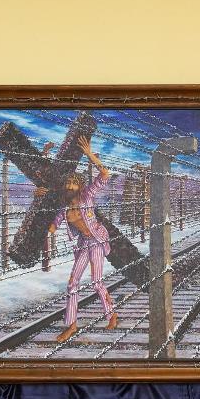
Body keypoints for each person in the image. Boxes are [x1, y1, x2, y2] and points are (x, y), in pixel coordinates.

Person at [39, 134, 118, 342]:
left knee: (96, 282)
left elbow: (104, 174)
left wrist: (89, 154)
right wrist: (40, 198)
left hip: (97, 241)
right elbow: (53, 227)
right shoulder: (64, 208)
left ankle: (111, 314)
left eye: (73, 184)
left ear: (80, 186)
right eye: (68, 184)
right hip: (83, 244)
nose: (70, 187)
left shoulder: (87, 196)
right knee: (72, 283)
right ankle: (71, 326)